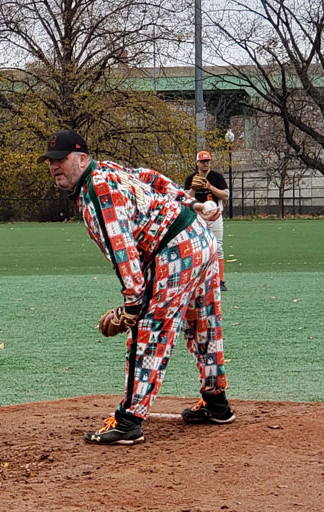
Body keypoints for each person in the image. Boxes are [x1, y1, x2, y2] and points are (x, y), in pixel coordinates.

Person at [38, 129, 235, 445]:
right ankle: (216, 403)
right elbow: (150, 177)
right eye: (51, 161)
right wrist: (190, 203)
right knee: (203, 323)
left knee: (149, 329)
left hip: (176, 250)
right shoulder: (106, 169)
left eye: (62, 159)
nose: (55, 166)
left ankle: (128, 420)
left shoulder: (95, 191)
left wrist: (131, 308)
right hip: (200, 239)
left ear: (82, 159)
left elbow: (122, 250)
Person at [184, 151, 229, 291]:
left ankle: (220, 281)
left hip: (215, 216)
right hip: (196, 217)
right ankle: (194, 280)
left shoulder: (216, 177)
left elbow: (225, 196)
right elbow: (184, 199)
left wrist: (210, 187)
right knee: (194, 248)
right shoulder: (191, 178)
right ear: (197, 163)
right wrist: (193, 189)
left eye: (207, 161)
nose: (205, 163)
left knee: (218, 247)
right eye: (202, 161)